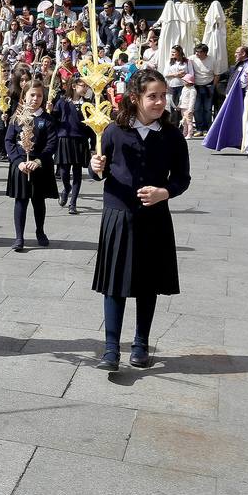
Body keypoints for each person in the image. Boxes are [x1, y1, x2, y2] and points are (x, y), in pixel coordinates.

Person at [89, 68, 191, 372]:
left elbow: (183, 178)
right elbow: (102, 171)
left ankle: (140, 343)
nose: (160, 102)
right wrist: (94, 166)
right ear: (135, 98)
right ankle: (110, 349)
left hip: (154, 217)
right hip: (119, 215)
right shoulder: (113, 131)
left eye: (163, 96)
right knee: (115, 284)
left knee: (148, 284)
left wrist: (165, 192)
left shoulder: (171, 136)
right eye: (153, 96)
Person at [5, 78, 58, 252]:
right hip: (20, 165)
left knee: (38, 201)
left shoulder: (47, 119)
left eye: (39, 95)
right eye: (32, 95)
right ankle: (19, 237)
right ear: (24, 96)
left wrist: (38, 160)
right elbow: (9, 141)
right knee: (21, 201)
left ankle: (40, 230)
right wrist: (18, 162)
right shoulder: (17, 118)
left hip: (39, 165)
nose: (36, 99)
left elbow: (51, 144)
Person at [54, 77, 90, 214]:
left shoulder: (87, 104)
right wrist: (51, 110)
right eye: (83, 85)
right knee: (63, 171)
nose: (86, 88)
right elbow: (54, 119)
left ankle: (73, 203)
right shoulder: (63, 101)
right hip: (64, 138)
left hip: (80, 139)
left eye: (87, 86)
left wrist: (93, 143)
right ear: (74, 86)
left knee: (77, 172)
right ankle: (66, 187)